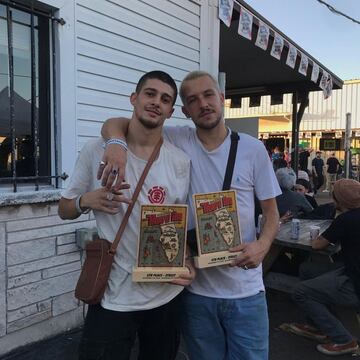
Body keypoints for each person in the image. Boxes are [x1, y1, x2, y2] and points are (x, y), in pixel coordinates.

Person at [99, 70, 281, 360]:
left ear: (222, 99)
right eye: (193, 100)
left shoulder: (253, 149)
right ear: (183, 111)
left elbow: (272, 214)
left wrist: (263, 245)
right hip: (197, 292)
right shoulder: (176, 139)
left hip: (245, 291)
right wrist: (116, 145)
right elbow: (118, 123)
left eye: (209, 95)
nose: (203, 104)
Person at [58, 71, 194, 360]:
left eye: (165, 99)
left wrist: (187, 258)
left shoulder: (180, 162)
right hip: (113, 297)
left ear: (171, 111)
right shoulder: (97, 150)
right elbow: (64, 209)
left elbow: (178, 226)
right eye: (150, 93)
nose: (157, 102)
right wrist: (86, 200)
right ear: (134, 98)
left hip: (165, 297)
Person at [290, 179, 360, 356]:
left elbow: (317, 245)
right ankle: (317, 324)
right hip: (350, 272)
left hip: (354, 282)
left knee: (300, 291)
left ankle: (344, 340)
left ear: (339, 199)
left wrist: (315, 238)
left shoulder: (345, 219)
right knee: (307, 269)